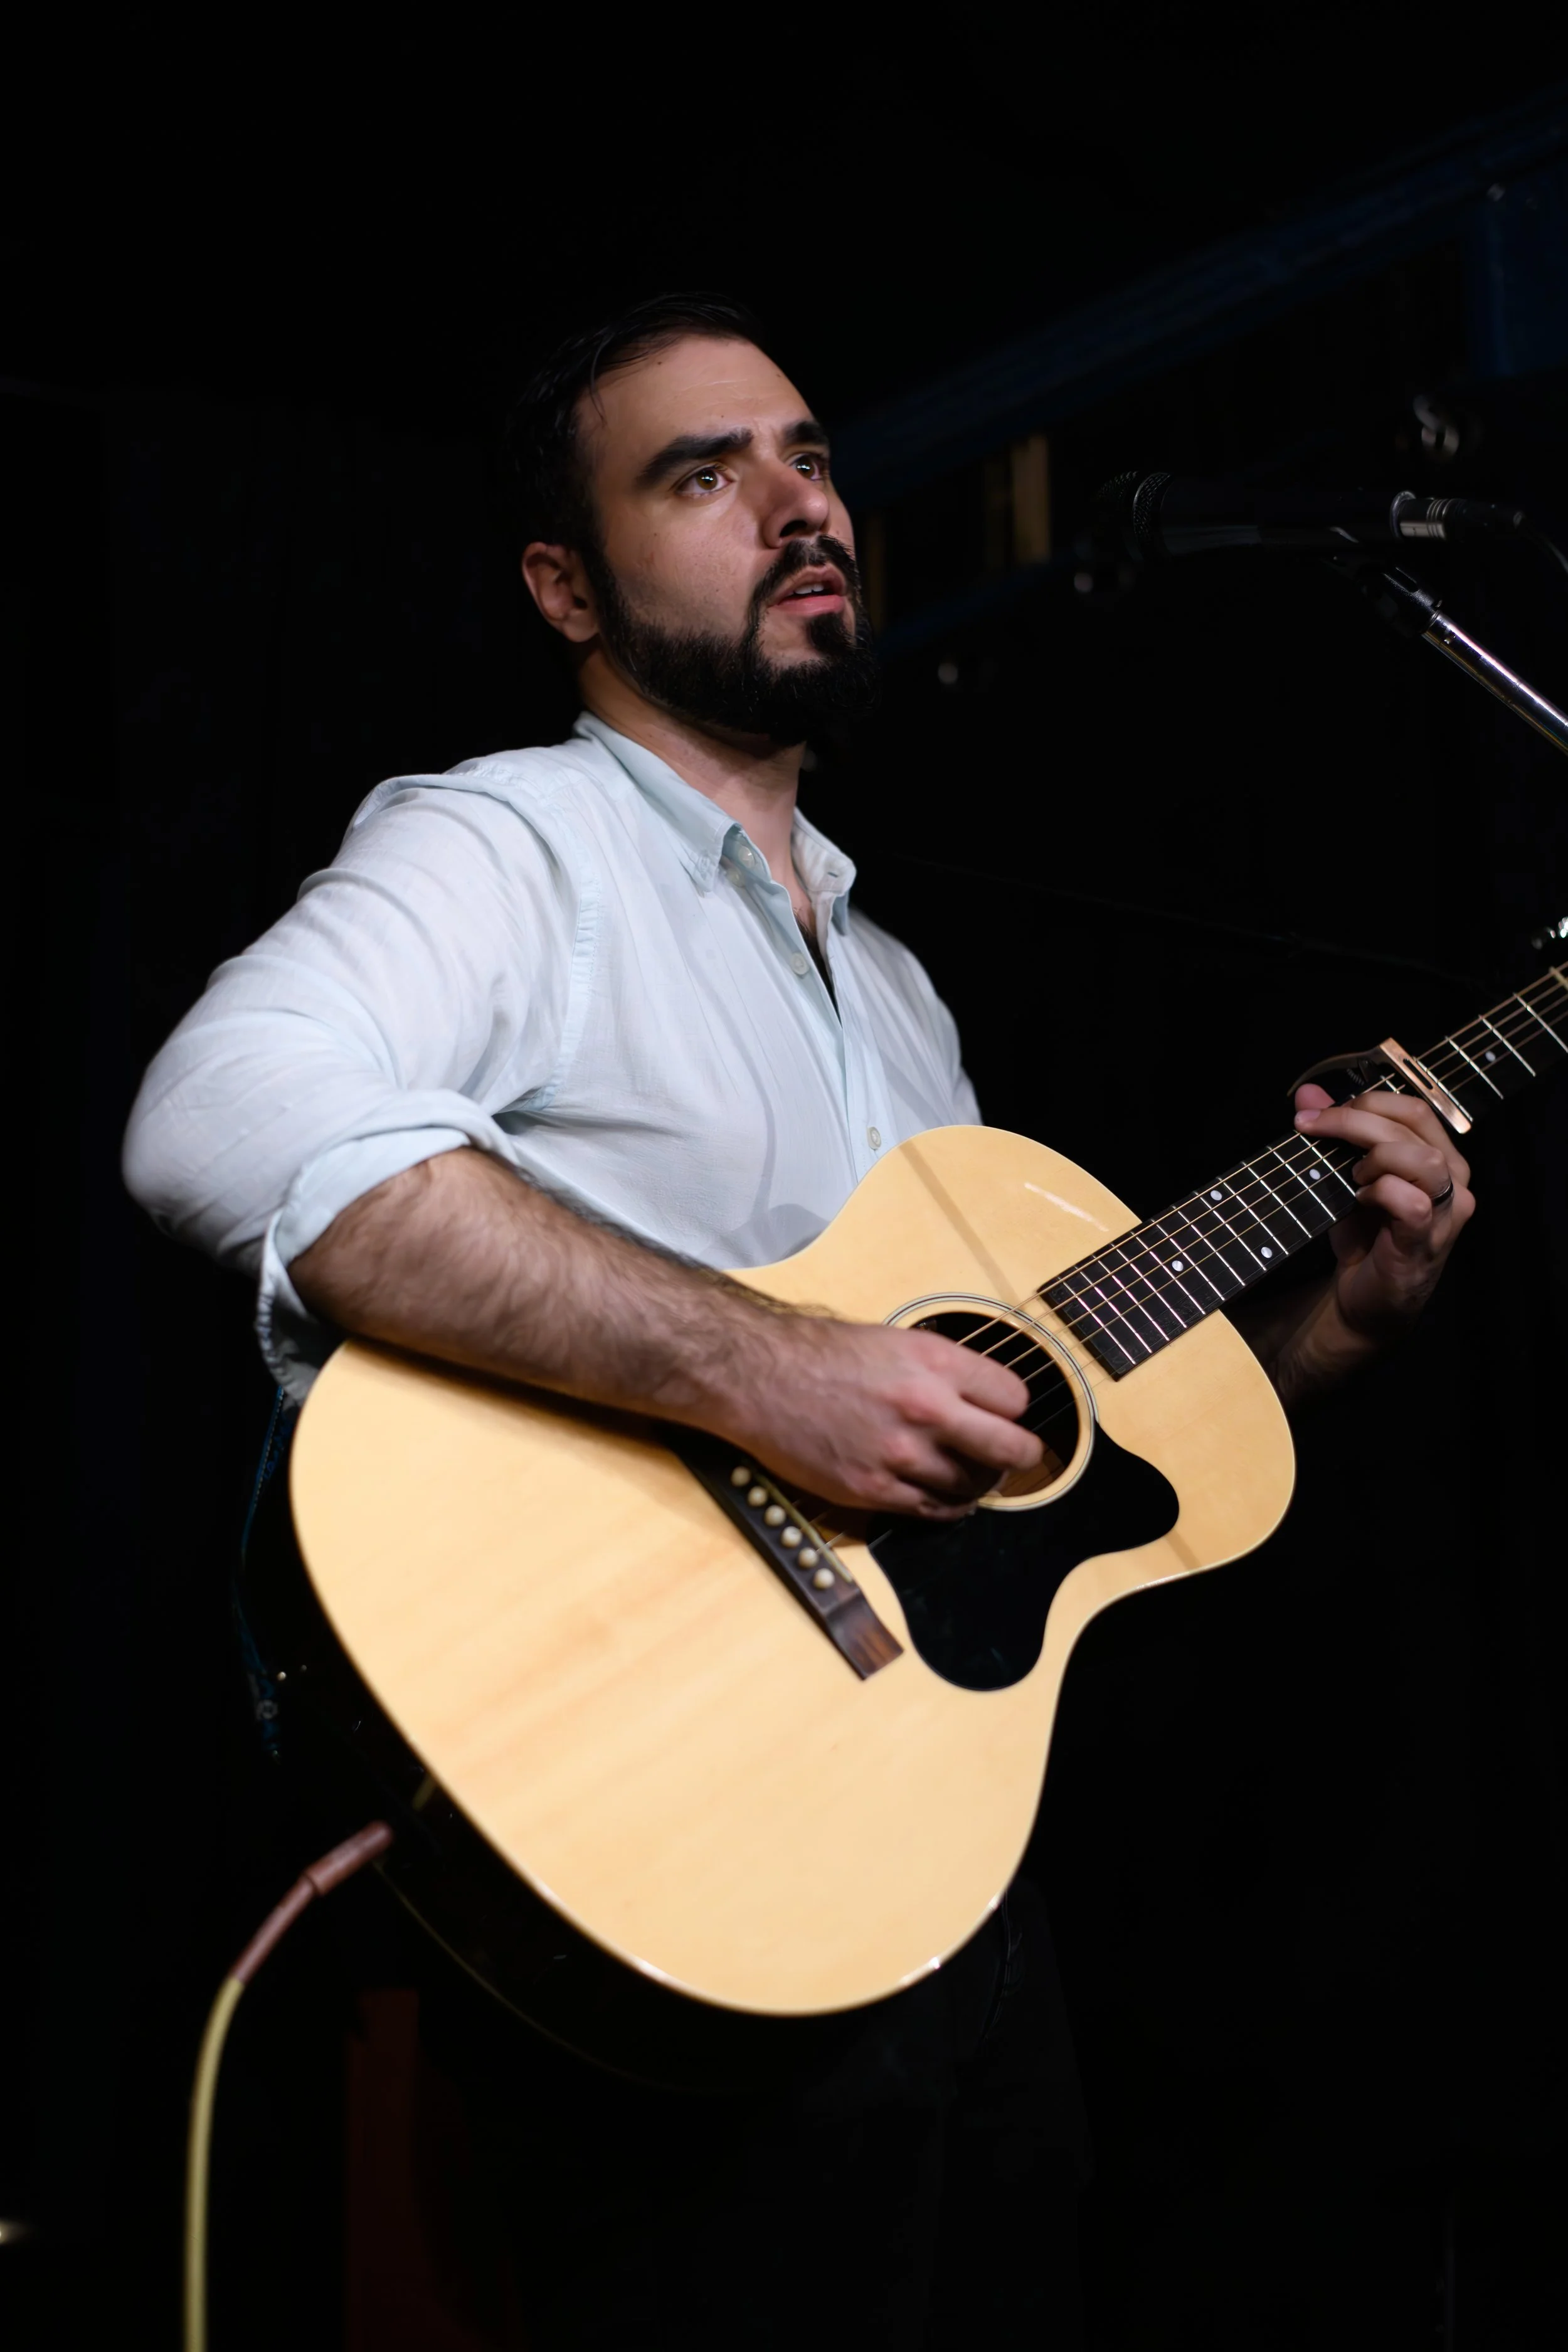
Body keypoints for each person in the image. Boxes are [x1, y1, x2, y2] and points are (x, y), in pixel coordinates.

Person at [123, 294, 1475, 2345]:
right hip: (666, 1831)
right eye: (704, 473)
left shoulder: (900, 989)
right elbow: (221, 1117)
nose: (799, 504)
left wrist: (1338, 1325)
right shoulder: (513, 842)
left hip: (941, 1873)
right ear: (563, 586)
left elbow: (1027, 1454)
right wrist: (769, 1369)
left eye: (811, 456)